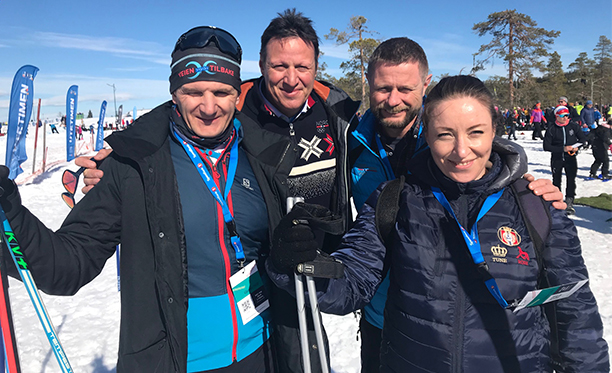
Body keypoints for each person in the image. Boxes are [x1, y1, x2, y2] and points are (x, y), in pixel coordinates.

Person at [0, 26, 298, 373]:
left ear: (237, 94)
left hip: (260, 352)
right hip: (173, 361)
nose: (208, 106)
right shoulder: (131, 166)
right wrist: (10, 216)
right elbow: (68, 264)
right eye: (193, 92)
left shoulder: (261, 156)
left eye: (221, 91)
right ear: (175, 94)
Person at [268, 75, 609, 372]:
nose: (462, 151)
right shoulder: (396, 199)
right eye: (445, 135)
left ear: (494, 131)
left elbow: (575, 314)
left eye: (475, 133)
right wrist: (299, 263)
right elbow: (353, 284)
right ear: (427, 135)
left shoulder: (536, 205)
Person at [544, 106, 587, 215]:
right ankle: (557, 201)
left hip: (571, 158)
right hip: (557, 158)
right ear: (557, 116)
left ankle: (569, 201)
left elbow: (582, 139)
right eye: (563, 116)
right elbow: (546, 146)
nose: (565, 118)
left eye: (567, 115)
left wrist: (577, 147)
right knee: (556, 180)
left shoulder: (573, 126)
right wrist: (562, 149)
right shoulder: (552, 128)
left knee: (571, 180)